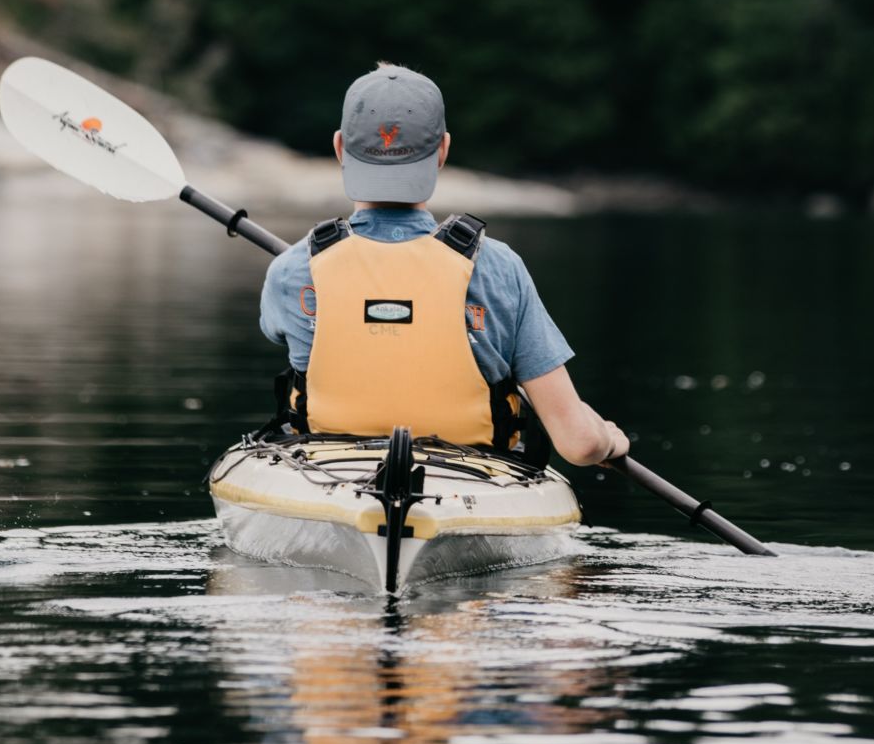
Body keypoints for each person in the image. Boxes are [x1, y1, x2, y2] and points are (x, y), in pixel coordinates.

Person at [259, 63, 628, 467]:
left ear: (339, 149)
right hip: (472, 479)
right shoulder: (499, 267)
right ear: (442, 150)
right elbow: (579, 445)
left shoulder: (293, 269)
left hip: (328, 474)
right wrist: (607, 440)